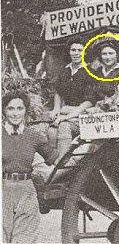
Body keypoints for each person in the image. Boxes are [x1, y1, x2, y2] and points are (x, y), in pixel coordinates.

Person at [2, 91, 58, 243]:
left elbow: (55, 160)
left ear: (26, 110)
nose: (15, 113)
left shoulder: (34, 136)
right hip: (3, 190)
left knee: (24, 240)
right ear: (3, 111)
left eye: (19, 108)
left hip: (26, 190)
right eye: (10, 109)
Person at [89, 37, 119, 103]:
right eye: (104, 54)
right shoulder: (97, 72)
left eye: (111, 53)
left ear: (117, 55)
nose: (108, 57)